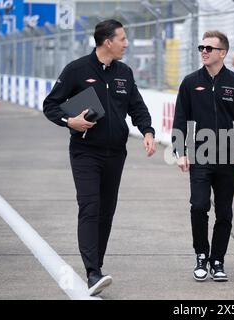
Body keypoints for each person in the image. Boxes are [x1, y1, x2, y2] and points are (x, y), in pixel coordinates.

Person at [43, 19, 156, 296]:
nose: (126, 43)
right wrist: (70, 121)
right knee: (90, 207)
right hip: (85, 152)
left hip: (116, 153)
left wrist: (148, 131)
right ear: (108, 41)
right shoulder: (76, 70)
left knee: (106, 212)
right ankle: (92, 270)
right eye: (123, 39)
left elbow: (137, 106)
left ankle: (97, 267)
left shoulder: (124, 73)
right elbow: (50, 105)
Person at [172, 31, 234, 282]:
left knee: (225, 212)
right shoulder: (189, 82)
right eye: (201, 47)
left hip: (228, 159)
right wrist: (180, 151)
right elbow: (180, 118)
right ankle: (201, 255)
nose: (204, 51)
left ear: (222, 53)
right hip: (200, 156)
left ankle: (218, 260)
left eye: (209, 48)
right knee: (198, 206)